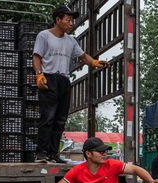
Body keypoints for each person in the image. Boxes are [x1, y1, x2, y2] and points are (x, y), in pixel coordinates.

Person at [33, 5, 110, 164]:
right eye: (68, 20)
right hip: (49, 78)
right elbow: (37, 57)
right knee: (48, 117)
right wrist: (39, 74)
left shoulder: (71, 41)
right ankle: (41, 153)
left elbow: (83, 57)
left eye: (72, 20)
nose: (71, 23)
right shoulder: (44, 36)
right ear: (58, 20)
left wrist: (95, 62)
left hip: (64, 81)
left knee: (60, 119)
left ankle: (52, 153)